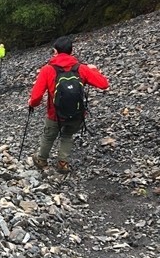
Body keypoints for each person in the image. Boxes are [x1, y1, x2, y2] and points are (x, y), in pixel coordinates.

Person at [28, 36, 109, 173]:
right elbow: (104, 84)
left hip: (55, 114)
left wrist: (31, 103)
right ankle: (62, 163)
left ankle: (41, 159)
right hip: (76, 113)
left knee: (48, 136)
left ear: (55, 51)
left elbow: (36, 97)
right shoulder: (81, 68)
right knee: (67, 136)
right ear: (72, 51)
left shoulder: (48, 70)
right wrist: (93, 70)